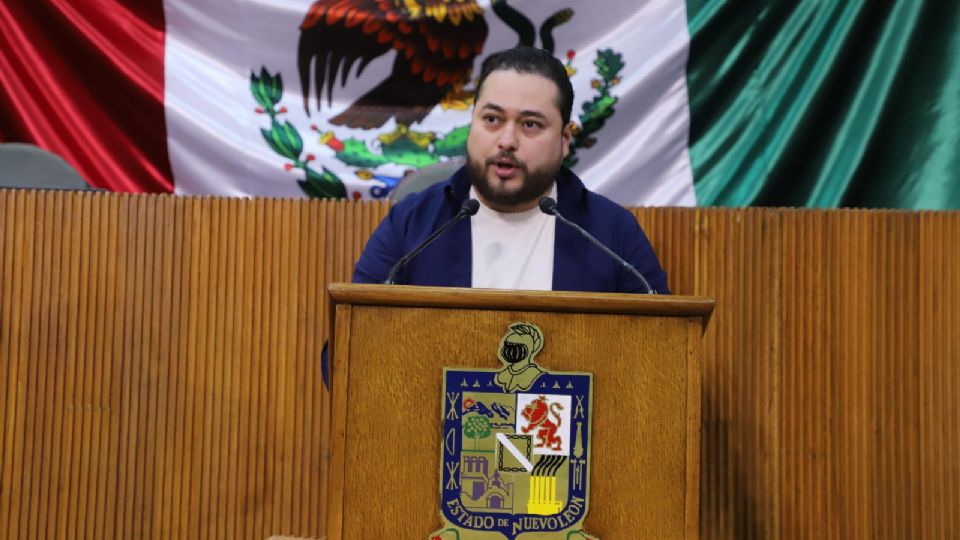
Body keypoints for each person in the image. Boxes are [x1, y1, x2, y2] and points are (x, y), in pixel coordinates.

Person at [352, 46, 669, 294]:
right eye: (492, 119)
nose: (507, 140)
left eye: (530, 124)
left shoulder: (611, 233)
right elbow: (345, 355)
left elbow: (663, 353)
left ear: (564, 139)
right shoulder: (413, 224)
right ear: (472, 122)